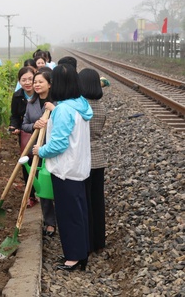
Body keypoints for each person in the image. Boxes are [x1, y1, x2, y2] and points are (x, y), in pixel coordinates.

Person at [32, 64, 92, 271]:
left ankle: (74, 257)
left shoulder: (64, 110)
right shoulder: (80, 103)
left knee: (68, 215)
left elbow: (58, 144)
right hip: (79, 168)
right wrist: (54, 110)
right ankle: (81, 252)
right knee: (79, 211)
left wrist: (41, 150)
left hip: (65, 170)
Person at [21, 68, 57, 232]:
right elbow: (25, 125)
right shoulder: (31, 104)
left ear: (50, 84)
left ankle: (62, 218)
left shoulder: (57, 103)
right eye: (35, 82)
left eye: (40, 82)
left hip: (56, 149)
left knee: (58, 184)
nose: (36, 84)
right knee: (43, 186)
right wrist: (34, 125)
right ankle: (49, 222)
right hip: (38, 150)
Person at [79, 68, 107, 253]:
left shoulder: (81, 107)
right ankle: (99, 241)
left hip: (83, 158)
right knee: (97, 202)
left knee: (85, 202)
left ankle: (87, 241)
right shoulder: (100, 106)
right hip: (98, 157)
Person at [9, 66, 38, 204]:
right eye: (23, 80)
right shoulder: (17, 96)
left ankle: (44, 192)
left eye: (30, 79)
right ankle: (30, 195)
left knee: (42, 162)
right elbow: (14, 116)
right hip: (26, 133)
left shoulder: (41, 93)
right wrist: (14, 126)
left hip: (42, 132)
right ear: (19, 82)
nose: (27, 83)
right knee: (27, 162)